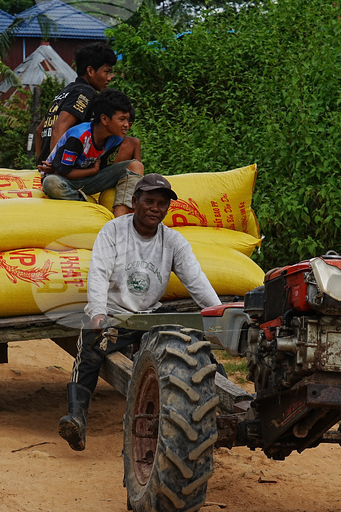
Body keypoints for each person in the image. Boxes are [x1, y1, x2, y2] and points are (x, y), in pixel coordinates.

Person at [59, 174, 222, 451]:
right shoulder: (113, 231)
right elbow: (98, 273)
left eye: (161, 203)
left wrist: (219, 314)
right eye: (149, 201)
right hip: (114, 316)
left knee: (195, 347)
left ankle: (221, 402)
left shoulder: (173, 242)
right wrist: (97, 312)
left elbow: (196, 280)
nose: (155, 208)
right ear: (135, 202)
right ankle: (77, 417)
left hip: (151, 316)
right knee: (89, 350)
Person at [40, 88, 144, 217]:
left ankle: (120, 219)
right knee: (51, 183)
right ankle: (86, 203)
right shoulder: (79, 136)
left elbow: (105, 167)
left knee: (136, 166)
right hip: (66, 179)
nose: (126, 125)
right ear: (105, 119)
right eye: (122, 119)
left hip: (89, 180)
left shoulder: (116, 138)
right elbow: (62, 172)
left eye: (127, 120)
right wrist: (92, 171)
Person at [35, 43, 118, 164]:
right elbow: (58, 128)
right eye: (106, 72)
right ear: (90, 71)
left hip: (47, 167)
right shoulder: (85, 92)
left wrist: (41, 164)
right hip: (62, 168)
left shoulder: (67, 90)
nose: (109, 77)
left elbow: (39, 131)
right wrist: (55, 166)